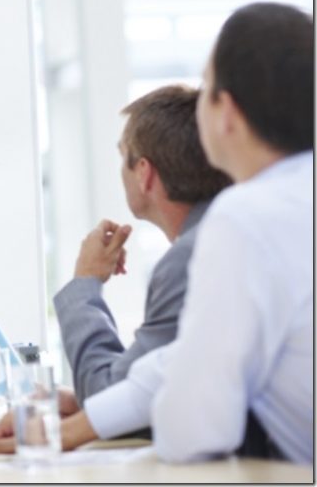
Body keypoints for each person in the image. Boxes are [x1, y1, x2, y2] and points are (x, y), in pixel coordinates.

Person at [0, 2, 314, 464]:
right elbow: (186, 360)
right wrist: (81, 423)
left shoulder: (245, 218)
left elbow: (195, 429)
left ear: (226, 113)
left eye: (206, 89)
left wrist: (87, 417)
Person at [54, 85, 230, 403]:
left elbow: (109, 393)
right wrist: (84, 409)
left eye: (123, 157)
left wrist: (85, 283)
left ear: (143, 173)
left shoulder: (188, 260)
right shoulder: (224, 234)